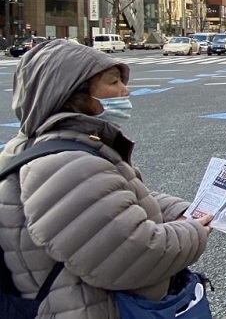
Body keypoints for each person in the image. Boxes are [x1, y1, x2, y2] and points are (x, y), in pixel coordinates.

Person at [0, 39, 212, 318]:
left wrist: (177, 209)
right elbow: (135, 256)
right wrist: (192, 230)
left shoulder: (37, 145)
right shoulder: (69, 164)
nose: (125, 91)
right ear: (72, 93)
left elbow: (108, 203)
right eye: (113, 83)